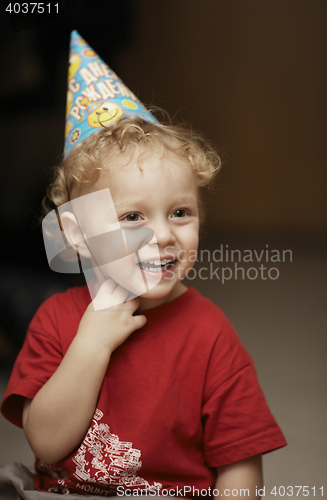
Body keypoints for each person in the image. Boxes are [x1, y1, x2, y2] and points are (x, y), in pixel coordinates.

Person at [0, 32, 286, 499]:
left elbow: (240, 466)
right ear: (78, 234)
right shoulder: (55, 321)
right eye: (132, 217)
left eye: (180, 212)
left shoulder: (211, 335)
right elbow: (47, 443)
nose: (164, 235)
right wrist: (90, 343)